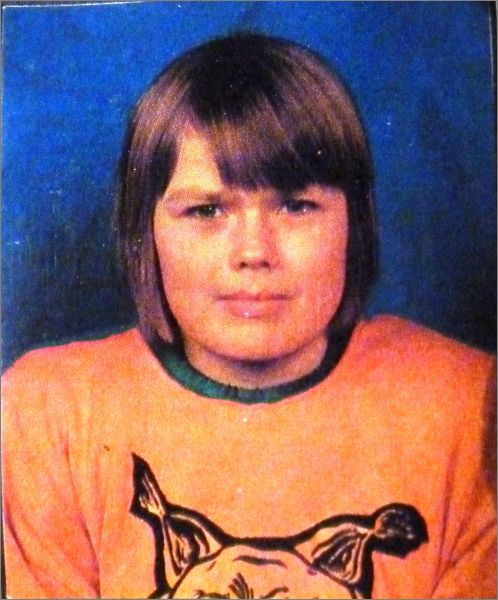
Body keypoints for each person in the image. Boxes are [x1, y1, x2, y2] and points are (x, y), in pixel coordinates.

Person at [2, 33, 495, 599]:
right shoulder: (50, 412)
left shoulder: (466, 402)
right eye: (206, 210)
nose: (254, 252)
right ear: (146, 232)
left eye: (296, 206)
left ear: (354, 225)